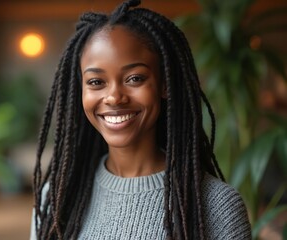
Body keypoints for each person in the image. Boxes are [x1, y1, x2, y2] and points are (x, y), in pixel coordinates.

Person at [32, 0, 251, 239]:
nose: (114, 97)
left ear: (164, 84)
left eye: (135, 78)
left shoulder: (217, 206)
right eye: (96, 82)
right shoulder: (57, 197)